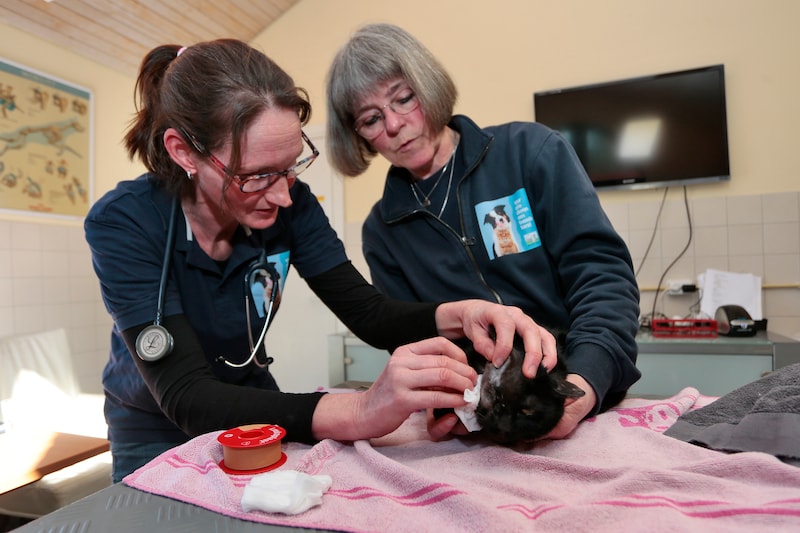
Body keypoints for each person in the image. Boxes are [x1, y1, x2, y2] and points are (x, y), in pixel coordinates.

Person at [85, 39, 556, 483]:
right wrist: (361, 410)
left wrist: (463, 314)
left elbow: (369, 314)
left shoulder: (295, 207)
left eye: (291, 166)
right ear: (184, 152)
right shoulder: (125, 222)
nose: (283, 197)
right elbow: (188, 396)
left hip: (256, 405)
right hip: (156, 427)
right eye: (256, 176)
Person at [325, 24, 641, 440]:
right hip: (485, 421)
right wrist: (450, 401)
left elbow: (601, 275)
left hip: (581, 398)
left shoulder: (530, 151)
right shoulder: (383, 232)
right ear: (358, 137)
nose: (396, 124)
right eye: (371, 119)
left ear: (428, 86)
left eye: (404, 98)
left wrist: (585, 382)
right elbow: (415, 340)